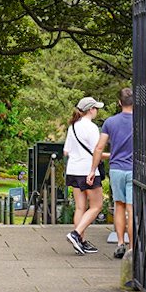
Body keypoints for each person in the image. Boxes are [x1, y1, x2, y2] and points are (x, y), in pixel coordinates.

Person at [90, 88, 135, 258]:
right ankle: (132, 247)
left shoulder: (110, 122)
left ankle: (120, 243)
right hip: (133, 169)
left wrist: (93, 170)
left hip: (116, 169)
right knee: (131, 209)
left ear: (119, 103)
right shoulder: (140, 122)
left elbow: (99, 147)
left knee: (119, 206)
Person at [63, 96, 104, 255]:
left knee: (80, 207)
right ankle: (76, 234)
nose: (97, 111)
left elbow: (66, 150)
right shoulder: (92, 127)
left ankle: (80, 241)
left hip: (73, 169)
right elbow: (97, 150)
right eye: (96, 108)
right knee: (96, 206)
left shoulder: (72, 127)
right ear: (91, 110)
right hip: (88, 170)